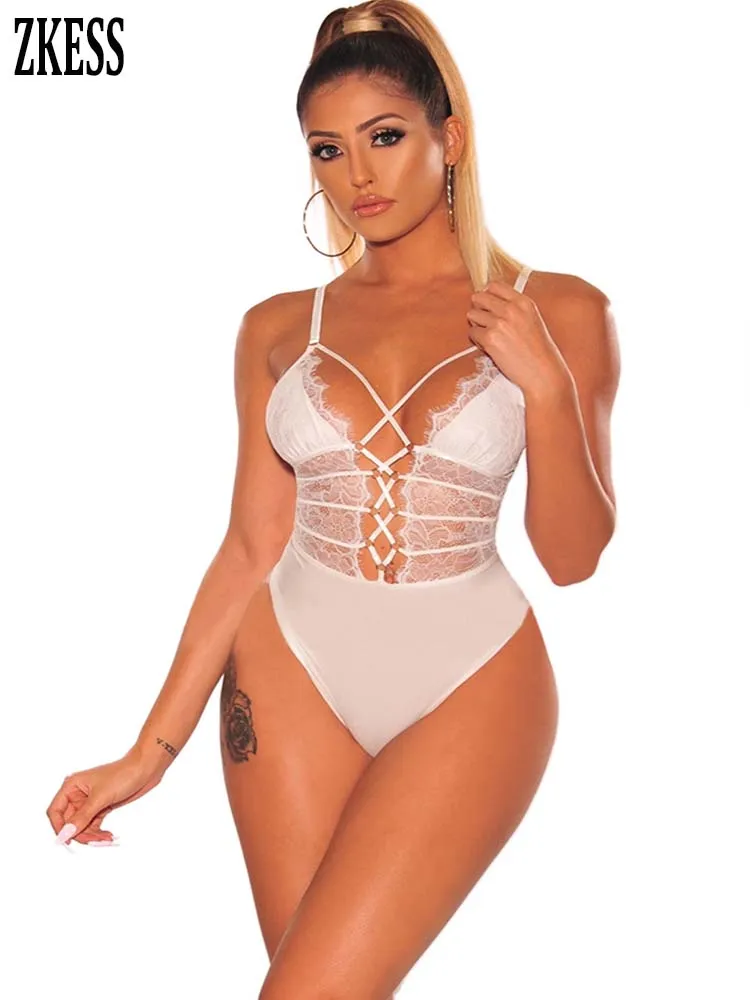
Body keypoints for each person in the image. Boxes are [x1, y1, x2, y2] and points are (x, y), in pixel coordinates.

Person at [46, 2, 620, 997]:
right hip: (290, 663)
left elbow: (573, 559)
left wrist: (546, 386)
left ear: (450, 138)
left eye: (385, 138)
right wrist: (149, 753)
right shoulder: (276, 328)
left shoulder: (560, 309)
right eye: (327, 150)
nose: (357, 176)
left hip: (473, 673)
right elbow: (249, 548)